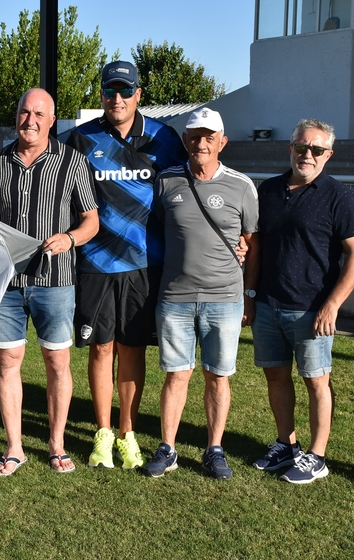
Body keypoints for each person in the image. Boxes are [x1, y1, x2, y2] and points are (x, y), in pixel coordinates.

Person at [66, 60, 188, 470]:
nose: (116, 99)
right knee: (101, 348)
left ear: (139, 94)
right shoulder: (80, 139)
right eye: (109, 91)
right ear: (100, 94)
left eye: (125, 91)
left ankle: (127, 432)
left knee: (133, 349)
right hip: (94, 263)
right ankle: (102, 433)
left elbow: (189, 190)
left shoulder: (163, 138)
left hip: (144, 264)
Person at [0, 88, 99, 476]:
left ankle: (56, 444)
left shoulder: (73, 162)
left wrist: (70, 238)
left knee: (57, 362)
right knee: (8, 361)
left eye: (38, 114)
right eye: (24, 112)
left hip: (56, 282)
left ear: (51, 121)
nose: (29, 120)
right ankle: (14, 447)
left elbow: (91, 221)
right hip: (7, 283)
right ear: (17, 116)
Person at [143, 109, 259, 479]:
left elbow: (252, 244)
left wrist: (249, 293)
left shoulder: (242, 186)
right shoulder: (166, 183)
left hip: (224, 299)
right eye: (195, 136)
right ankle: (167, 447)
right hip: (174, 297)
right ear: (186, 141)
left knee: (217, 376)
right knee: (176, 375)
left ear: (223, 142)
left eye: (210, 137)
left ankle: (214, 449)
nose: (202, 143)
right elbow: (161, 231)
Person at [252, 119, 354, 484]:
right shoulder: (267, 190)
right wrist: (249, 295)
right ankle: (287, 444)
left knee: (316, 381)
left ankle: (317, 455)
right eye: (302, 147)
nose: (308, 154)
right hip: (268, 304)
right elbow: (255, 246)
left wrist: (332, 304)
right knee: (276, 377)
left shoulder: (337, 196)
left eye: (317, 149)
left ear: (328, 155)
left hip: (312, 310)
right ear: (290, 148)